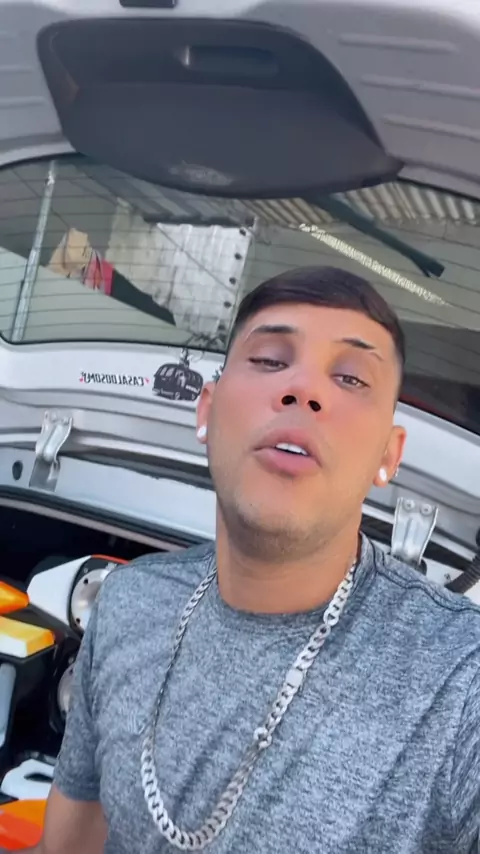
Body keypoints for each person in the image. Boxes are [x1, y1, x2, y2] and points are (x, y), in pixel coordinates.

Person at [12, 266, 480, 853]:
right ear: (206, 412)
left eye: (350, 377)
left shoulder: (460, 680)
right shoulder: (127, 604)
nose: (303, 389)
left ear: (389, 454)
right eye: (269, 360)